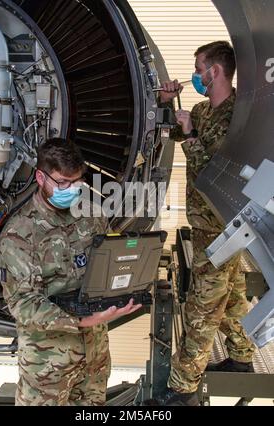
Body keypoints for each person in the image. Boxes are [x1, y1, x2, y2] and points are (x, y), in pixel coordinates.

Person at [0, 138, 142, 406]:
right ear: (41, 177)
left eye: (77, 182)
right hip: (48, 366)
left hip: (94, 358)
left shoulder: (93, 216)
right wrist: (81, 322)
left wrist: (125, 285)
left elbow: (104, 269)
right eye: (63, 182)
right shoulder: (19, 234)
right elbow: (24, 305)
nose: (72, 189)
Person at [156, 41, 255, 406]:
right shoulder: (201, 110)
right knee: (231, 298)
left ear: (215, 71)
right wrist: (170, 104)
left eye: (199, 69)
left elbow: (216, 171)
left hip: (222, 227)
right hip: (206, 225)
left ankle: (181, 389)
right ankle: (242, 357)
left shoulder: (239, 116)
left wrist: (192, 136)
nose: (195, 75)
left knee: (202, 309)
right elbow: (180, 133)